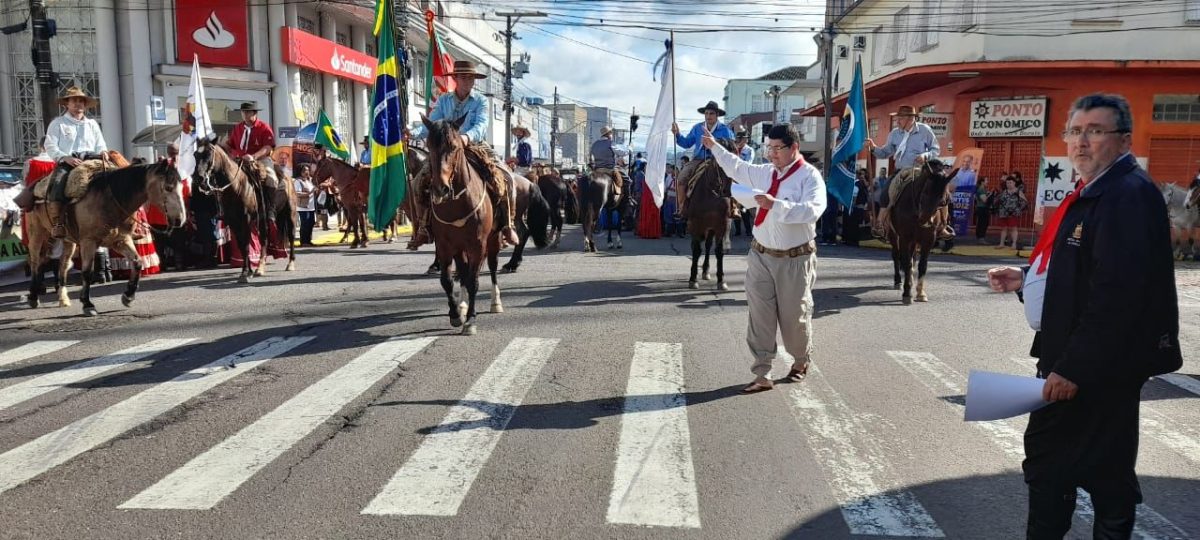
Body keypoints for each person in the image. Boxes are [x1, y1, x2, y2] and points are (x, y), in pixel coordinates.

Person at [986, 93, 1181, 540]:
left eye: (1095, 131)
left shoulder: (1126, 195)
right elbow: (1084, 271)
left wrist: (1073, 369)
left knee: (1066, 466)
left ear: (1124, 140)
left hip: (1094, 367)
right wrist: (1026, 280)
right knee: (1088, 467)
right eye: (1074, 131)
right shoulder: (1095, 191)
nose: (1081, 141)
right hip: (1078, 359)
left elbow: (1119, 295)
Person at [702, 123, 826, 394]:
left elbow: (813, 210)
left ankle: (801, 359)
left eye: (776, 149)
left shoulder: (809, 177)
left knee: (795, 317)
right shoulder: (765, 172)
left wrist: (775, 204)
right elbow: (736, 167)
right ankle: (762, 371)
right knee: (760, 316)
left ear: (794, 148)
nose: (771, 154)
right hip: (760, 255)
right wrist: (714, 147)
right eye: (768, 148)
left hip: (795, 259)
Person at [406, 59, 519, 249]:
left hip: (474, 145)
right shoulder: (444, 100)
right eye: (464, 77)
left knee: (505, 177)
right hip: (446, 149)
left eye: (471, 78)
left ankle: (508, 225)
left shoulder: (481, 101)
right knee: (419, 182)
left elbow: (481, 125)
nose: (469, 81)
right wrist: (412, 132)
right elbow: (432, 124)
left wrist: (466, 137)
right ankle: (424, 227)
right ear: (456, 78)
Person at [869, 105, 950, 240]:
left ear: (910, 119)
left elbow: (936, 150)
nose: (898, 121)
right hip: (901, 170)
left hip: (920, 170)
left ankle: (943, 226)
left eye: (900, 118)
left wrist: (925, 155)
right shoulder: (894, 133)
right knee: (885, 193)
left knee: (940, 192)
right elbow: (885, 152)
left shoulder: (925, 130)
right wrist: (873, 148)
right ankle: (880, 224)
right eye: (898, 118)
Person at [42, 87, 109, 239]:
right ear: (67, 104)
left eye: (81, 101)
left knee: (119, 177)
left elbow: (100, 144)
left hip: (92, 160)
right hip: (68, 162)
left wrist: (104, 152)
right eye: (74, 101)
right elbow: (50, 145)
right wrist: (64, 157)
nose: (78, 104)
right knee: (58, 182)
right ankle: (58, 223)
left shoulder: (92, 124)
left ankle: (129, 221)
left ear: (85, 105)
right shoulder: (58, 123)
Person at [671, 100, 735, 218]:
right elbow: (686, 143)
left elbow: (731, 147)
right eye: (706, 113)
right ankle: (682, 207)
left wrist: (715, 143)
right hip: (698, 160)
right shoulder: (697, 128)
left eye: (711, 113)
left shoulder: (725, 130)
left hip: (719, 160)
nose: (708, 116)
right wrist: (677, 134)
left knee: (734, 178)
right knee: (681, 178)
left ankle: (735, 207)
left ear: (717, 115)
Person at [223, 102, 277, 189]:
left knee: (272, 179)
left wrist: (253, 156)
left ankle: (270, 202)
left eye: (247, 112)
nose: (244, 114)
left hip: (261, 160)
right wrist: (218, 147)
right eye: (243, 112)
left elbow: (268, 147)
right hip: (239, 161)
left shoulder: (264, 127)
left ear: (255, 113)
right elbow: (229, 145)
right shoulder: (237, 128)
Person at [589, 126, 625, 197]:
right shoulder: (611, 143)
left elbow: (590, 157)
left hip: (597, 171)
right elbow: (622, 153)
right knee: (627, 180)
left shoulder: (594, 144)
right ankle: (628, 198)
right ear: (609, 134)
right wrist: (630, 148)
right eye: (611, 133)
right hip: (610, 170)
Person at [994, 175, 1027, 250]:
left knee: (1013, 228)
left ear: (1014, 183)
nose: (1008, 184)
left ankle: (1014, 244)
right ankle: (1001, 243)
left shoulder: (1018, 192)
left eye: (1010, 183)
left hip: (1013, 213)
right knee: (1003, 228)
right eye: (1007, 183)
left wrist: (1018, 209)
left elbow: (1025, 202)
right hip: (1004, 212)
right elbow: (998, 201)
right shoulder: (1004, 191)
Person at [295, 164, 317, 246]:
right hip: (303, 207)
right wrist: (310, 192)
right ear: (300, 172)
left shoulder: (309, 181)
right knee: (305, 223)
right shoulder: (298, 181)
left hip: (311, 206)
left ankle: (308, 240)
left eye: (307, 170)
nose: (306, 172)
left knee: (311, 222)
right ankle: (303, 241)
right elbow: (297, 193)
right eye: (304, 171)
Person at [974, 176, 993, 242]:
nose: (987, 182)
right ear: (982, 182)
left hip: (982, 208)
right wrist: (990, 195)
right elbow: (984, 200)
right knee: (982, 223)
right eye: (986, 180)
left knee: (982, 223)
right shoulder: (981, 189)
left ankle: (980, 237)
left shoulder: (983, 189)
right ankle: (981, 237)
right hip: (982, 208)